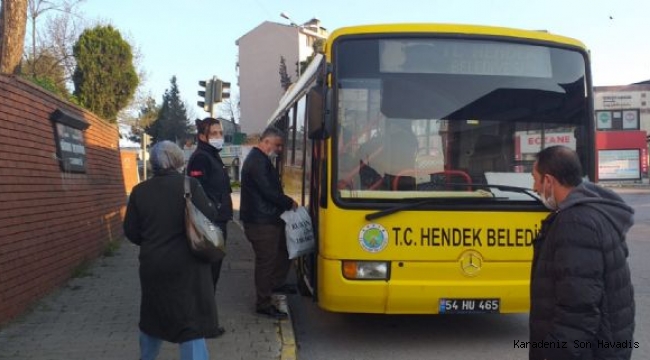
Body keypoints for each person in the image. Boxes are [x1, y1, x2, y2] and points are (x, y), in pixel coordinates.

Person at [529, 145, 635, 360]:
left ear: (549, 181)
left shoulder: (575, 223)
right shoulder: (594, 211)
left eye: (535, 179)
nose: (534, 187)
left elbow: (578, 307)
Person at [124, 141, 220, 360]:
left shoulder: (139, 191)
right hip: (188, 265)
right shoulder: (190, 185)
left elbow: (130, 230)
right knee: (190, 320)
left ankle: (147, 357)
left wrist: (152, 243)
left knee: (153, 315)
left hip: (153, 264)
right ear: (178, 160)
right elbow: (208, 218)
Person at [240, 126, 298, 319]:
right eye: (277, 145)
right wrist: (289, 202)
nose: (279, 150)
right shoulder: (257, 162)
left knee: (283, 250)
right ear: (265, 142)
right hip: (261, 222)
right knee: (266, 261)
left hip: (267, 218)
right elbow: (268, 192)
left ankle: (276, 284)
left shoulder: (260, 160)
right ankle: (263, 303)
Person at [186, 117, 233, 336]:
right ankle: (203, 324)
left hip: (217, 222)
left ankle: (203, 321)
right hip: (209, 225)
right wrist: (213, 213)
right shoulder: (200, 158)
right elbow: (198, 191)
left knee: (212, 275)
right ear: (202, 136)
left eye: (219, 133)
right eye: (213, 133)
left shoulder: (212, 156)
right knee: (207, 276)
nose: (218, 137)